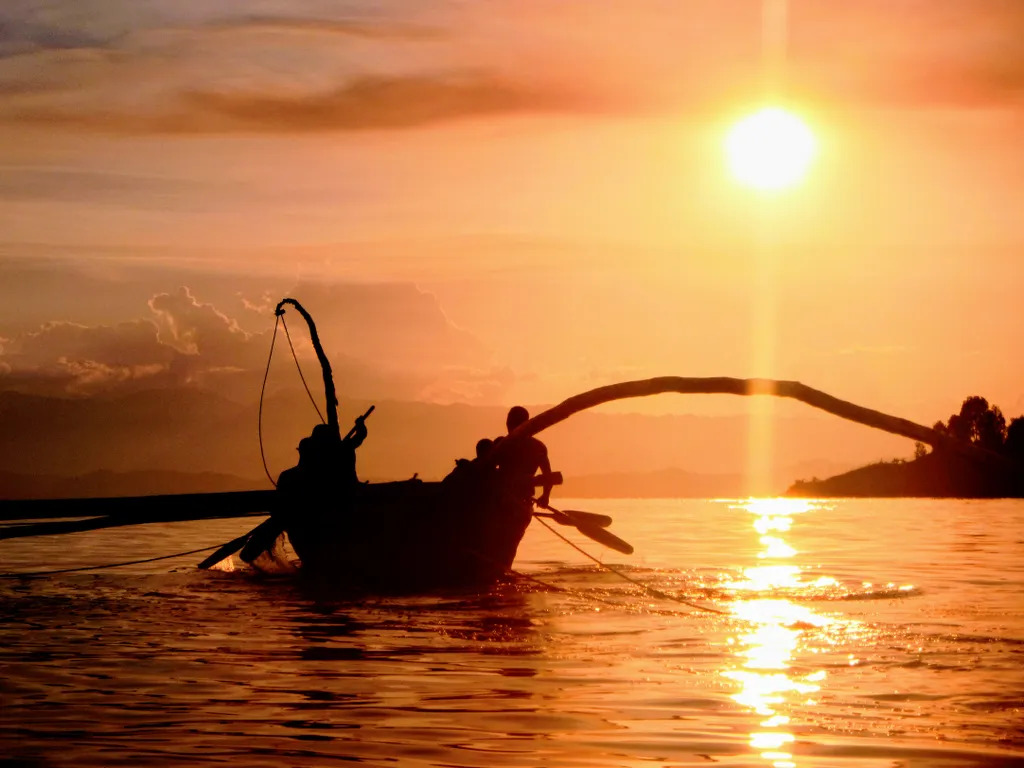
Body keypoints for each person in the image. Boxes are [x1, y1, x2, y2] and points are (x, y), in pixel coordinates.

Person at [496, 406, 552, 507]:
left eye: (510, 421)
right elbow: (548, 475)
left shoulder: (501, 444)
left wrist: (545, 496)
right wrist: (545, 496)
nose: (508, 424)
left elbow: (548, 475)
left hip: (506, 501)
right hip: (515, 501)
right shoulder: (538, 446)